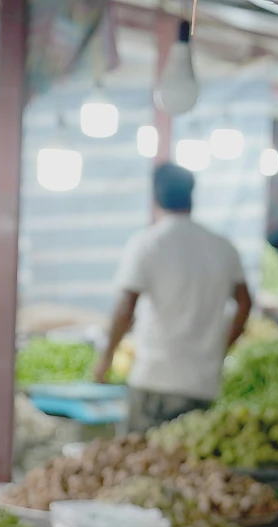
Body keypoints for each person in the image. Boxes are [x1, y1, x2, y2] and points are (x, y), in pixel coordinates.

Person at [95, 164, 251, 435]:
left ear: (155, 197)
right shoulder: (222, 246)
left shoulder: (148, 242)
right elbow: (246, 303)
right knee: (190, 466)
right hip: (202, 383)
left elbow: (125, 307)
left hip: (155, 379)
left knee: (144, 463)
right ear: (192, 195)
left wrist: (106, 359)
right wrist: (222, 347)